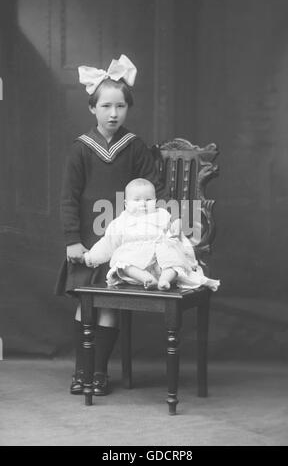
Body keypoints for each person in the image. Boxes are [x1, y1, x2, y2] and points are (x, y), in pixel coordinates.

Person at [55, 55, 167, 396]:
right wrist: (73, 240)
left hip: (124, 241)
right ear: (93, 108)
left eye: (120, 106)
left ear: (127, 109)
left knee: (110, 303)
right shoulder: (81, 149)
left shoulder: (133, 147)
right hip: (89, 239)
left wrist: (151, 226)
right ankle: (81, 372)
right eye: (106, 106)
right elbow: (68, 198)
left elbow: (156, 188)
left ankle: (99, 372)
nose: (113, 113)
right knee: (87, 303)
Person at [83, 178, 220, 293]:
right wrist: (91, 257)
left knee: (174, 258)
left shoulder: (163, 215)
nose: (143, 203)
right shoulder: (121, 221)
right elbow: (108, 243)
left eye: (148, 199)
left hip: (160, 261)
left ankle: (165, 279)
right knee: (121, 263)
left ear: (155, 200)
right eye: (136, 200)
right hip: (136, 263)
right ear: (126, 204)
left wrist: (176, 230)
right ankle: (146, 278)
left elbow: (177, 238)